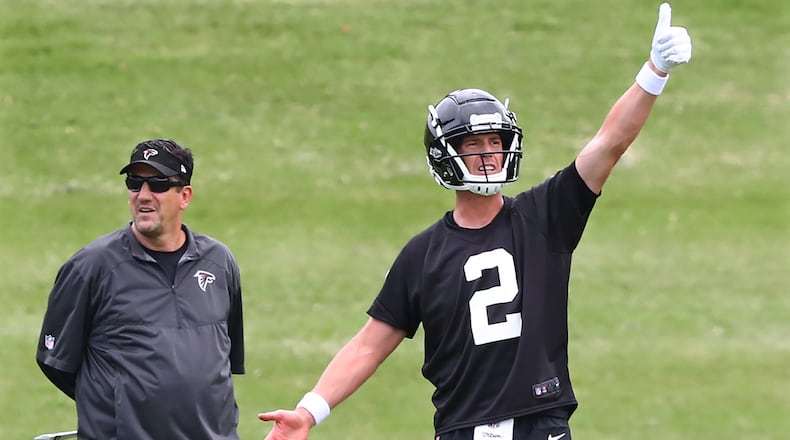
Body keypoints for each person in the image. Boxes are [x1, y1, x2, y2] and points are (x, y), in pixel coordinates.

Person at [258, 3, 692, 440]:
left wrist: (654, 72)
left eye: (494, 141)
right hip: (462, 428)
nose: (488, 153)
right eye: (473, 144)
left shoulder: (545, 215)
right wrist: (309, 412)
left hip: (541, 423)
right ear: (446, 156)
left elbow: (610, 142)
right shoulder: (422, 254)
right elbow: (369, 346)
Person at [36, 139, 245, 439]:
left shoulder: (218, 262)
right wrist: (119, 406)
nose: (143, 195)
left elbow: (222, 361)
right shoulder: (92, 266)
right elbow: (55, 361)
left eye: (158, 184)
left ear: (184, 195)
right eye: (135, 183)